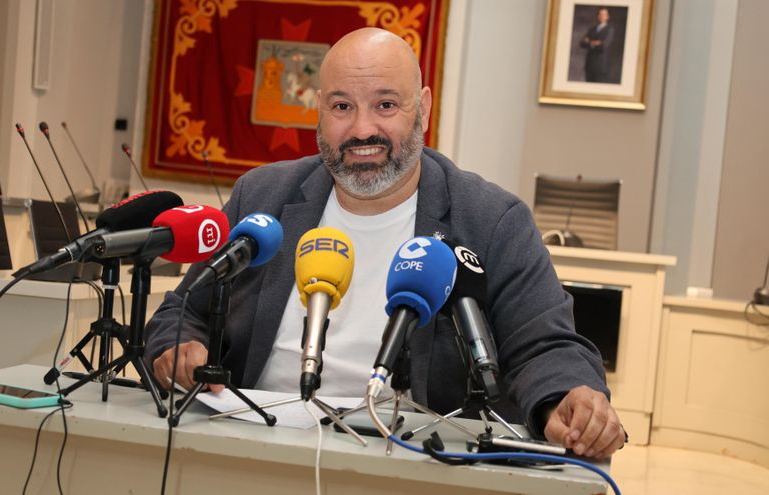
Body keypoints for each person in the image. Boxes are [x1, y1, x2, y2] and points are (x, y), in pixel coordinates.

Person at [146, 28, 626, 459]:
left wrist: (566, 395)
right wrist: (180, 346)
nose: (361, 130)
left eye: (385, 105)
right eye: (342, 106)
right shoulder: (263, 196)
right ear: (319, 110)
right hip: (255, 444)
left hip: (409, 459)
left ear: (424, 107)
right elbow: (184, 310)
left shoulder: (491, 220)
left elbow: (545, 344)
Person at [580, 7, 615, 83]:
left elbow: (603, 46)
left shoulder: (609, 30)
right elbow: (582, 43)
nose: (602, 16)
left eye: (604, 15)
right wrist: (595, 43)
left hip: (601, 66)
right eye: (600, 14)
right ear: (597, 16)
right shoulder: (591, 29)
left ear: (607, 17)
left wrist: (589, 42)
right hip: (589, 65)